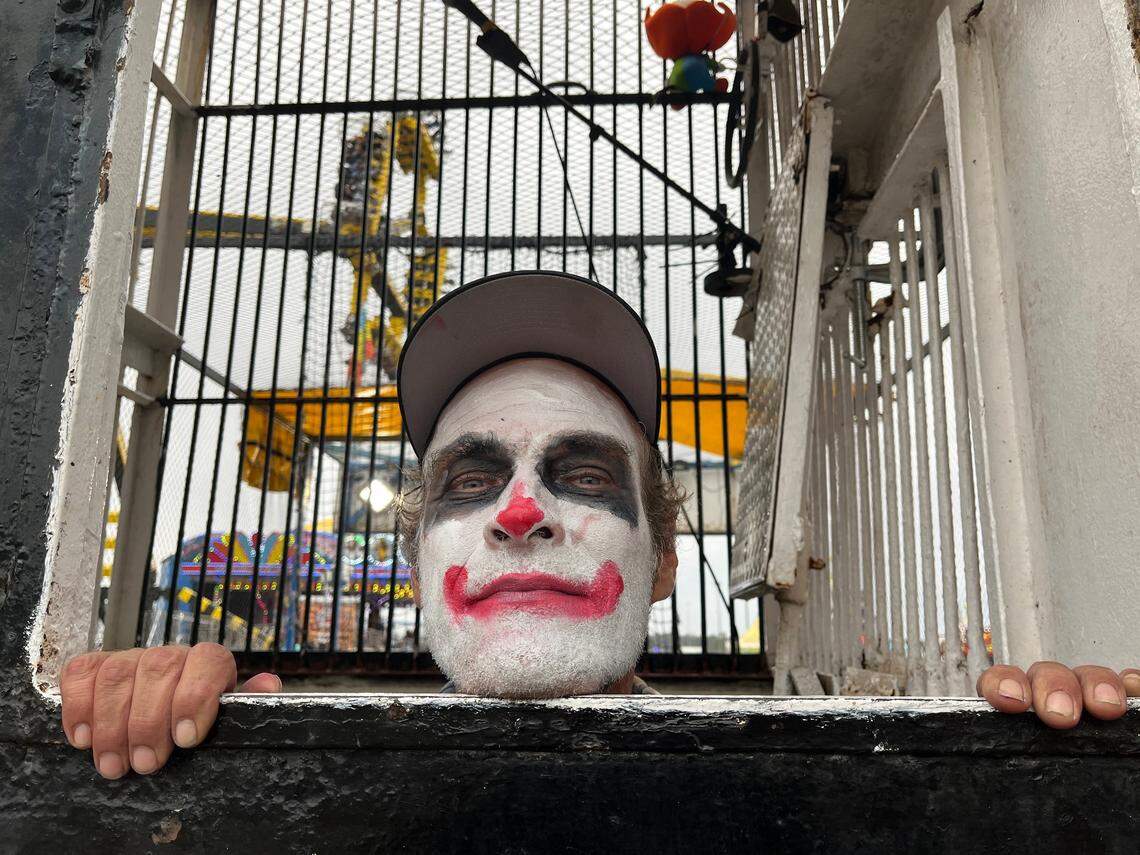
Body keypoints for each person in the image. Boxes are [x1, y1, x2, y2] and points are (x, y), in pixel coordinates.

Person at [59, 271, 1139, 779]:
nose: (522, 514)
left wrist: (1077, 766)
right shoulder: (278, 758)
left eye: (579, 473)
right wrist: (155, 736)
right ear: (414, 556)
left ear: (664, 560)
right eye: (469, 483)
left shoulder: (820, 783)